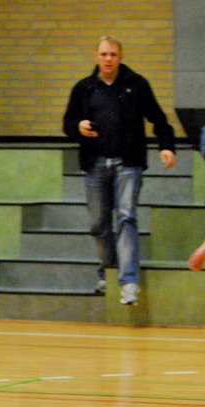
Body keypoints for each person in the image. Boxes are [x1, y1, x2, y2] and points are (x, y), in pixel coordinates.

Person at [63, 36, 176, 306]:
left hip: (128, 163)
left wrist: (166, 146)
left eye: (113, 54)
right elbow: (68, 122)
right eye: (103, 54)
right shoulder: (84, 88)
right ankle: (109, 270)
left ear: (120, 57)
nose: (108, 59)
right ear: (96, 57)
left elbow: (159, 119)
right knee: (99, 224)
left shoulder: (136, 85)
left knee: (126, 217)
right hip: (95, 163)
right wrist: (78, 127)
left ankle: (128, 281)